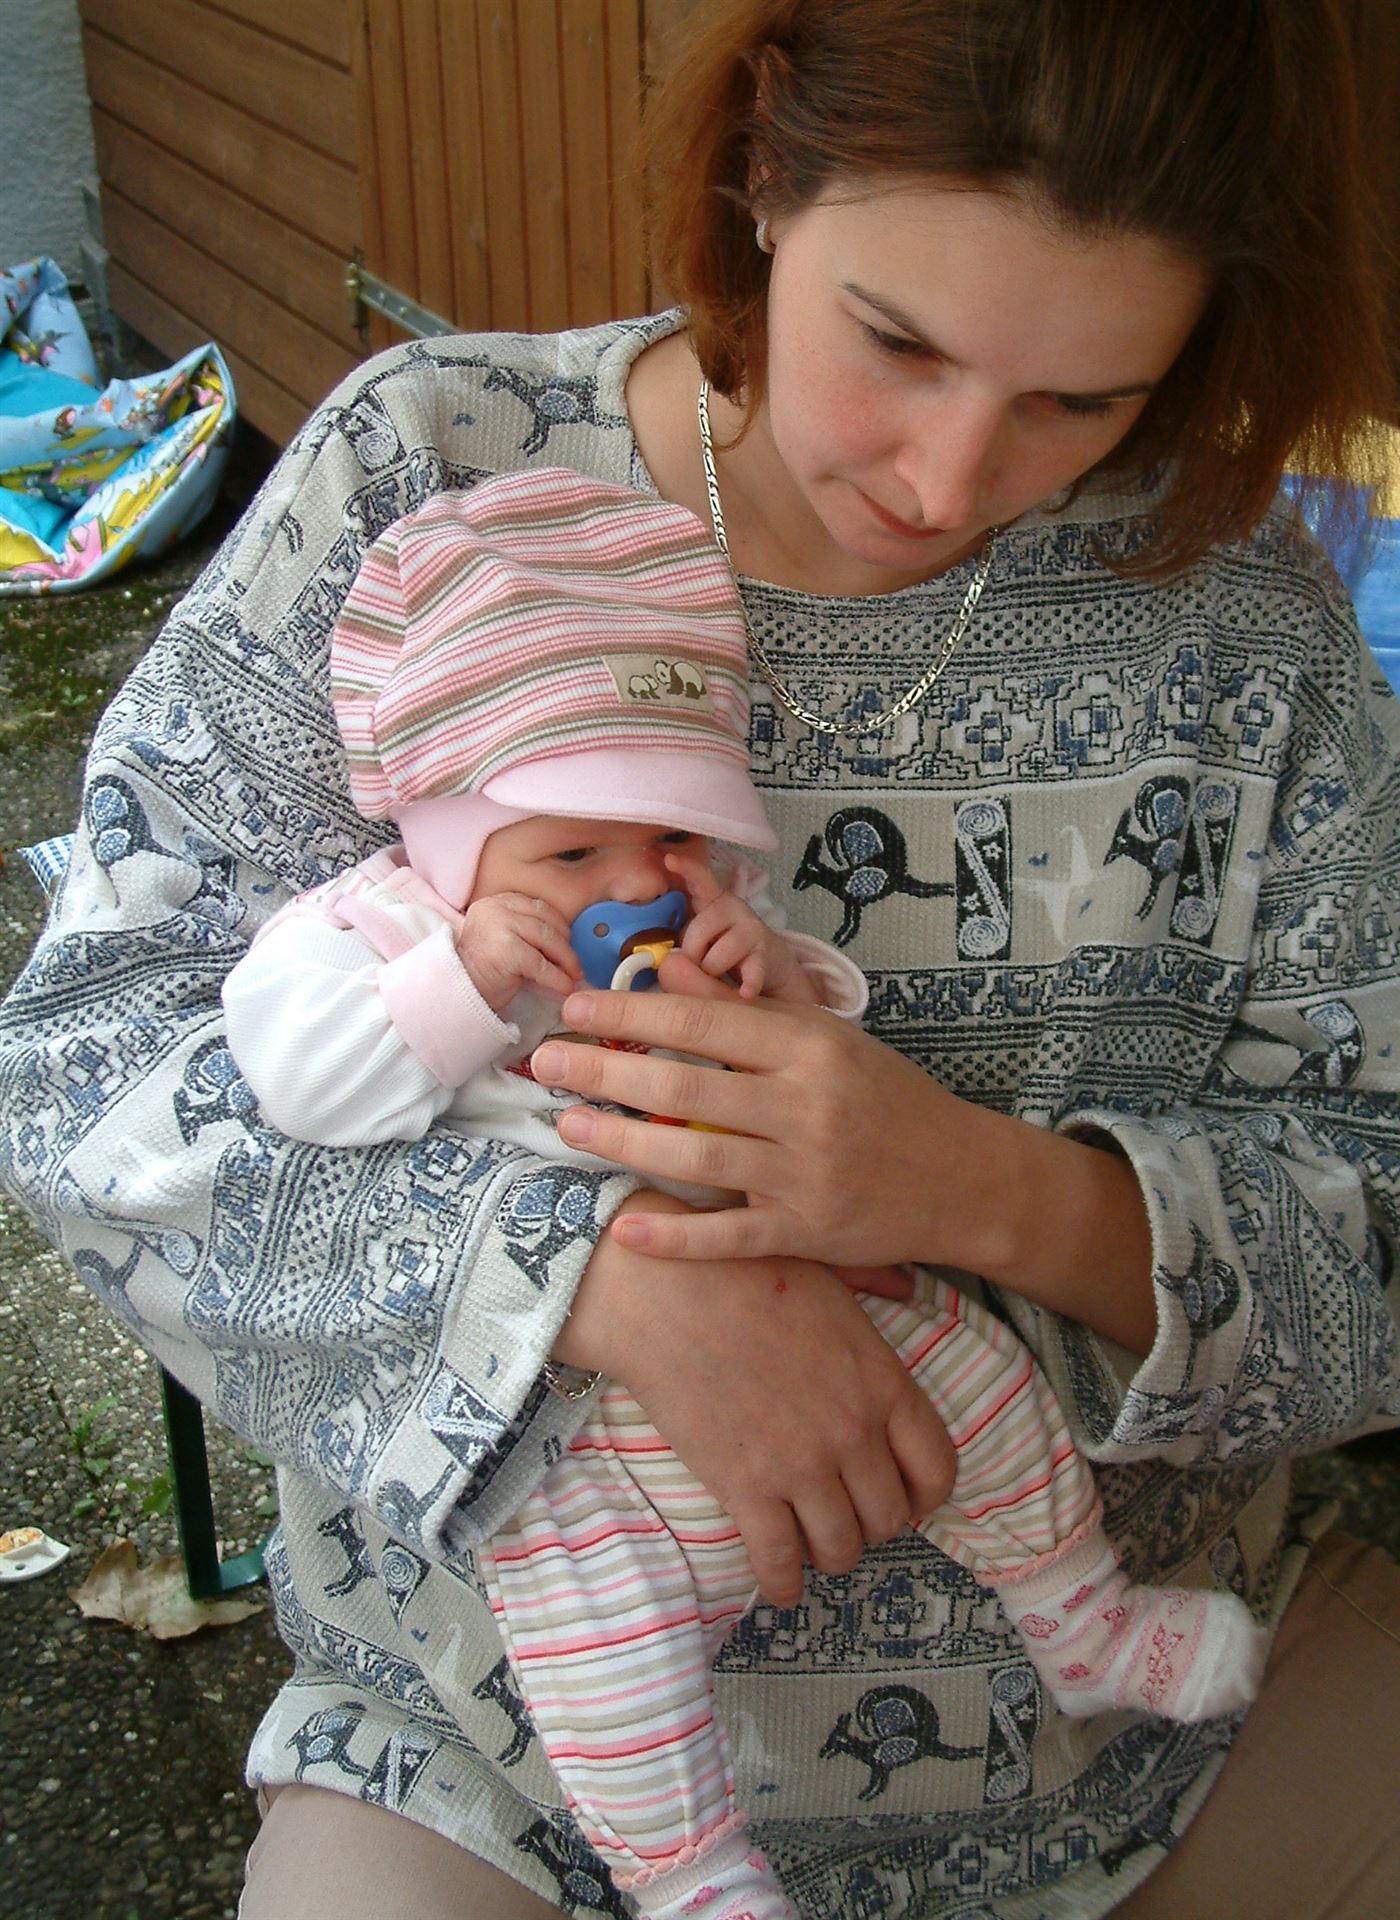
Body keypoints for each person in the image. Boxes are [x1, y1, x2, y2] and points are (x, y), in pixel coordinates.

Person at [1, 2, 1400, 1915]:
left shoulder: (1239, 606)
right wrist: (582, 1286)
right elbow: (84, 1072)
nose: (945, 478)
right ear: (766, 161)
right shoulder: (429, 480)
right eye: (897, 342)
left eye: (1082, 401)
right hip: (500, 1775)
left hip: (1161, 1732)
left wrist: (990, 1193)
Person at [220, 467, 1267, 1920]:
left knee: (979, 1378)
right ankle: (694, 1876)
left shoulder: (704, 915)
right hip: (567, 1424)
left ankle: (1081, 1623)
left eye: (670, 838)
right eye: (572, 850)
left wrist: (773, 982)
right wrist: (456, 987)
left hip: (813, 1300)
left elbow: (823, 1079)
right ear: (449, 830)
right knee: (595, 1642)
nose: (634, 884)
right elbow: (296, 1083)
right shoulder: (378, 927)